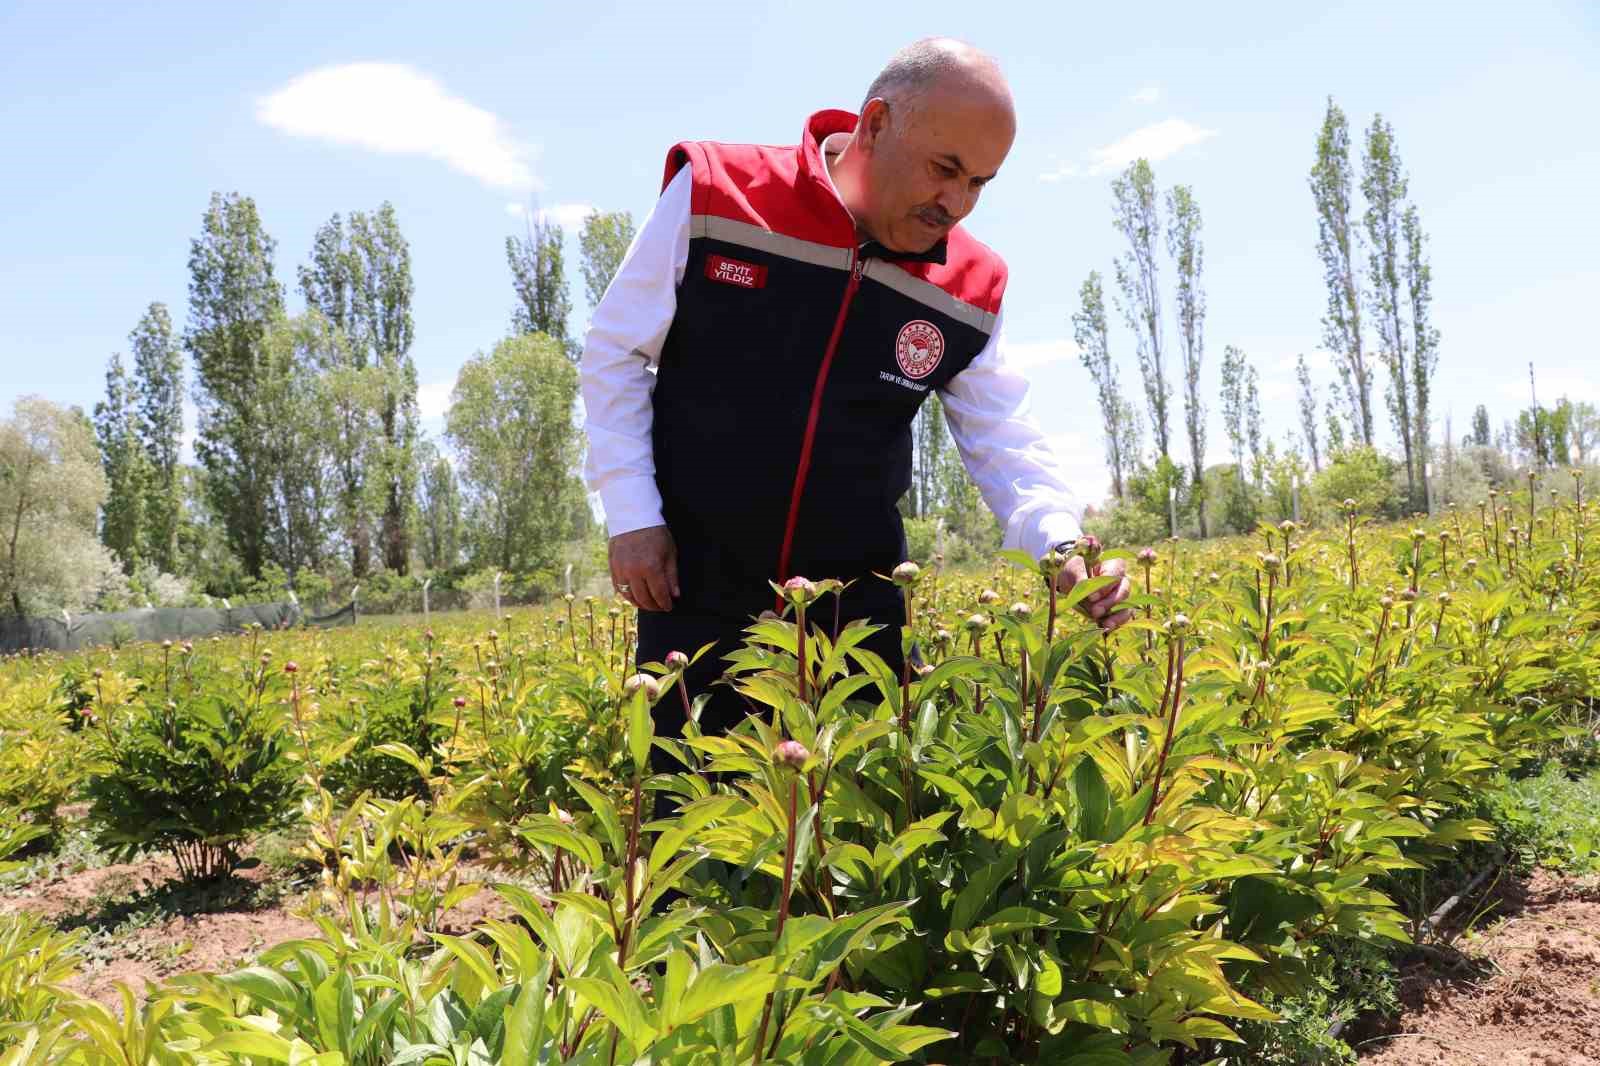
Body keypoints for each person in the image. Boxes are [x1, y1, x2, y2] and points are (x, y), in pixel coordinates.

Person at [580, 37, 1132, 753]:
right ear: (875, 124)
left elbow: (1003, 439)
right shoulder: (719, 194)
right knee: (691, 822)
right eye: (945, 169)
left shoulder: (968, 285)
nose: (956, 205)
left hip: (859, 618)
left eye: (979, 184)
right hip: (696, 593)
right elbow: (616, 354)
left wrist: (1059, 543)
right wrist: (632, 516)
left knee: (860, 828)